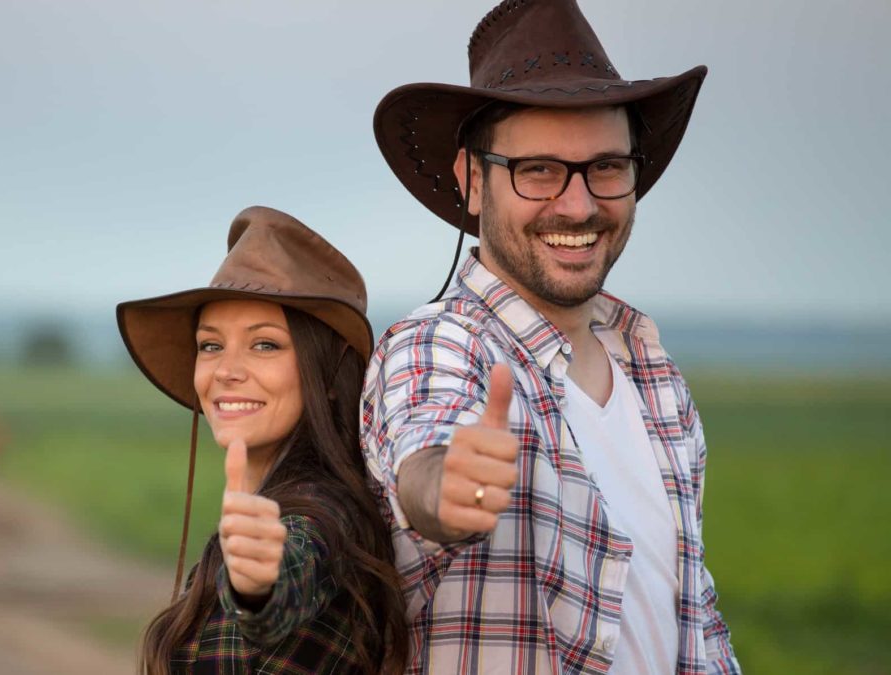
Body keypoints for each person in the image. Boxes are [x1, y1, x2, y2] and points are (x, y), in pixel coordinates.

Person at [361, 1, 742, 673]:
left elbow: (692, 615)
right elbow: (426, 456)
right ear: (472, 181)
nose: (578, 204)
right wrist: (448, 485)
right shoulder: (440, 344)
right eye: (538, 169)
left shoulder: (658, 381)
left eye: (606, 166)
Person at [118, 206, 407, 674]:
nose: (226, 371)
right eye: (211, 345)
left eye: (264, 344)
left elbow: (294, 564)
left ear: (327, 374)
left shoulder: (323, 516)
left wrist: (262, 585)